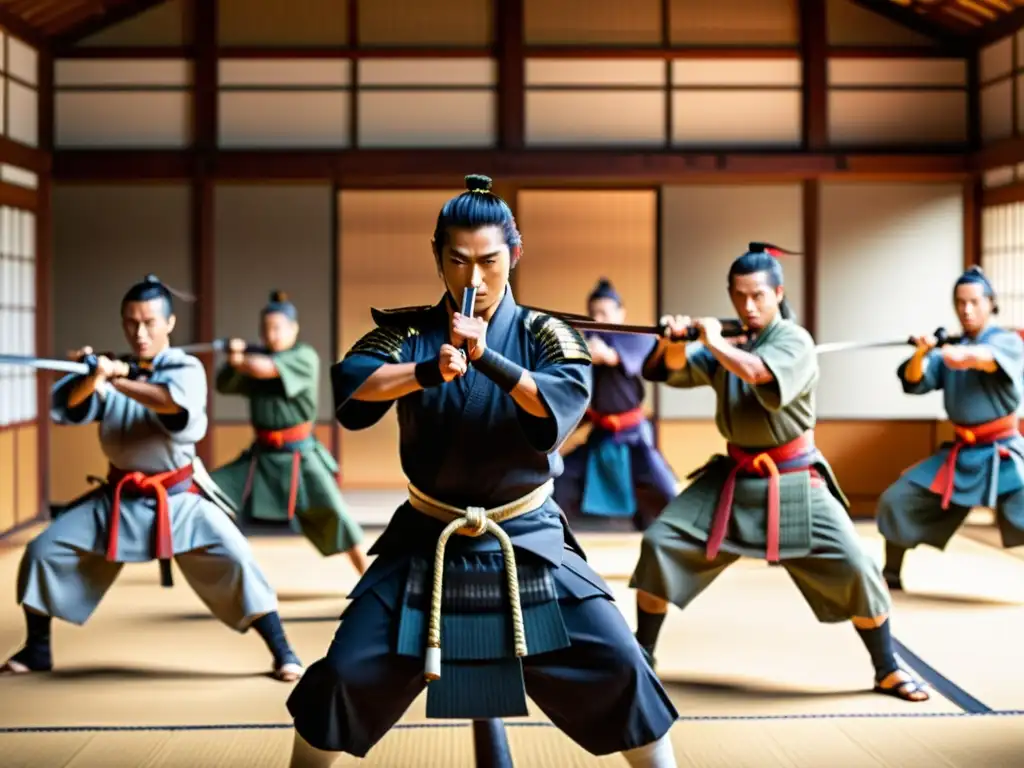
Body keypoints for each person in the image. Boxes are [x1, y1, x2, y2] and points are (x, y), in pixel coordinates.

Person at [285, 175, 679, 768]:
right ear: (437, 257)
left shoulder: (548, 333)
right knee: (343, 674)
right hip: (427, 536)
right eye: (458, 261)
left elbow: (559, 401)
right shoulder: (408, 332)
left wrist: (486, 359)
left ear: (514, 257)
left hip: (528, 535)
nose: (474, 279)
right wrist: (424, 372)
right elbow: (351, 382)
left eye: (490, 261)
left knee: (623, 666)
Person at [629, 243, 929, 703]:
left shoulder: (793, 340)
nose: (748, 306)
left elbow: (757, 374)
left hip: (793, 478)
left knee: (856, 565)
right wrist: (672, 342)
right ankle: (642, 655)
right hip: (733, 476)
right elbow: (669, 371)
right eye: (739, 296)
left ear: (777, 293)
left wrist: (712, 342)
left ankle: (886, 667)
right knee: (660, 543)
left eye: (758, 296)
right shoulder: (732, 344)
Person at [0, 275, 303, 683]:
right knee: (42, 551)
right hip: (117, 499)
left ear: (169, 324)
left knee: (240, 560)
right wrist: (92, 377)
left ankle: (282, 651)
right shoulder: (109, 368)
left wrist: (116, 379)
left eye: (149, 322)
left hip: (179, 498)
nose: (140, 332)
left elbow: (171, 405)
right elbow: (72, 409)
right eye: (131, 323)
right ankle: (37, 649)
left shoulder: (186, 368)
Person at [877, 266, 1024, 590]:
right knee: (898, 499)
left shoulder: (1006, 341)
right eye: (960, 303)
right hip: (962, 453)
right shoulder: (948, 350)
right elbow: (914, 380)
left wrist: (952, 352)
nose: (966, 310)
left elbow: (983, 358)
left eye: (974, 302)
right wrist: (921, 353)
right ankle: (890, 573)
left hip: (1004, 451)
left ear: (990, 303)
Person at [211, 291, 367, 574]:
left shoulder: (303, 356)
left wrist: (240, 358)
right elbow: (224, 384)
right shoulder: (254, 359)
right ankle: (223, 568)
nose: (271, 335)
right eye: (265, 329)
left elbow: (264, 369)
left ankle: (369, 577)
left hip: (301, 454)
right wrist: (236, 359)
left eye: (277, 328)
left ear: (294, 329)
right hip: (261, 456)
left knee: (338, 516)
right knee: (210, 493)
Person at [554, 278, 677, 530]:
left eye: (604, 312)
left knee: (663, 485)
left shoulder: (635, 338)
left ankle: (680, 532)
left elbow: (608, 356)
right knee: (561, 478)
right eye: (593, 313)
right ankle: (557, 535)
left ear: (620, 314)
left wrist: (600, 353)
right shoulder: (585, 341)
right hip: (601, 435)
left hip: (634, 436)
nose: (598, 318)